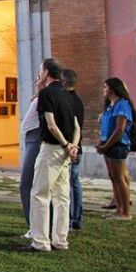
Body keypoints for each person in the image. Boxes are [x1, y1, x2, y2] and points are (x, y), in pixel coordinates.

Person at [21, 58, 79, 253]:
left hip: (52, 148)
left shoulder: (47, 94)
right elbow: (76, 126)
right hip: (66, 150)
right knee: (62, 197)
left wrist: (64, 144)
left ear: (46, 72)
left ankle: (40, 241)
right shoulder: (67, 94)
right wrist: (72, 146)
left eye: (41, 71)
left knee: (40, 194)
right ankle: (60, 240)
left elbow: (51, 124)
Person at [96, 77, 136, 221]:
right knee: (113, 176)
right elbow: (106, 128)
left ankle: (126, 212)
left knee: (119, 178)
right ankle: (119, 208)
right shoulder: (111, 106)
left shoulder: (122, 104)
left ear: (113, 89)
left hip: (117, 145)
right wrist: (101, 144)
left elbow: (119, 129)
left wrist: (106, 146)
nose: (104, 89)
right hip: (108, 145)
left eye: (105, 87)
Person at [18, 72, 46, 237]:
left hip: (36, 139)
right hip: (31, 139)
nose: (37, 78)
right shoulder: (41, 95)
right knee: (29, 185)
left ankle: (35, 226)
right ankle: (35, 225)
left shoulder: (47, 96)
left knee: (27, 184)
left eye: (40, 74)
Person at [61, 69, 84, 230]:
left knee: (67, 184)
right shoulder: (78, 101)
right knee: (74, 182)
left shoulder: (66, 100)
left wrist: (70, 146)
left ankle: (69, 219)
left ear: (63, 82)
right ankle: (76, 219)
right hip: (77, 147)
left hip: (69, 148)